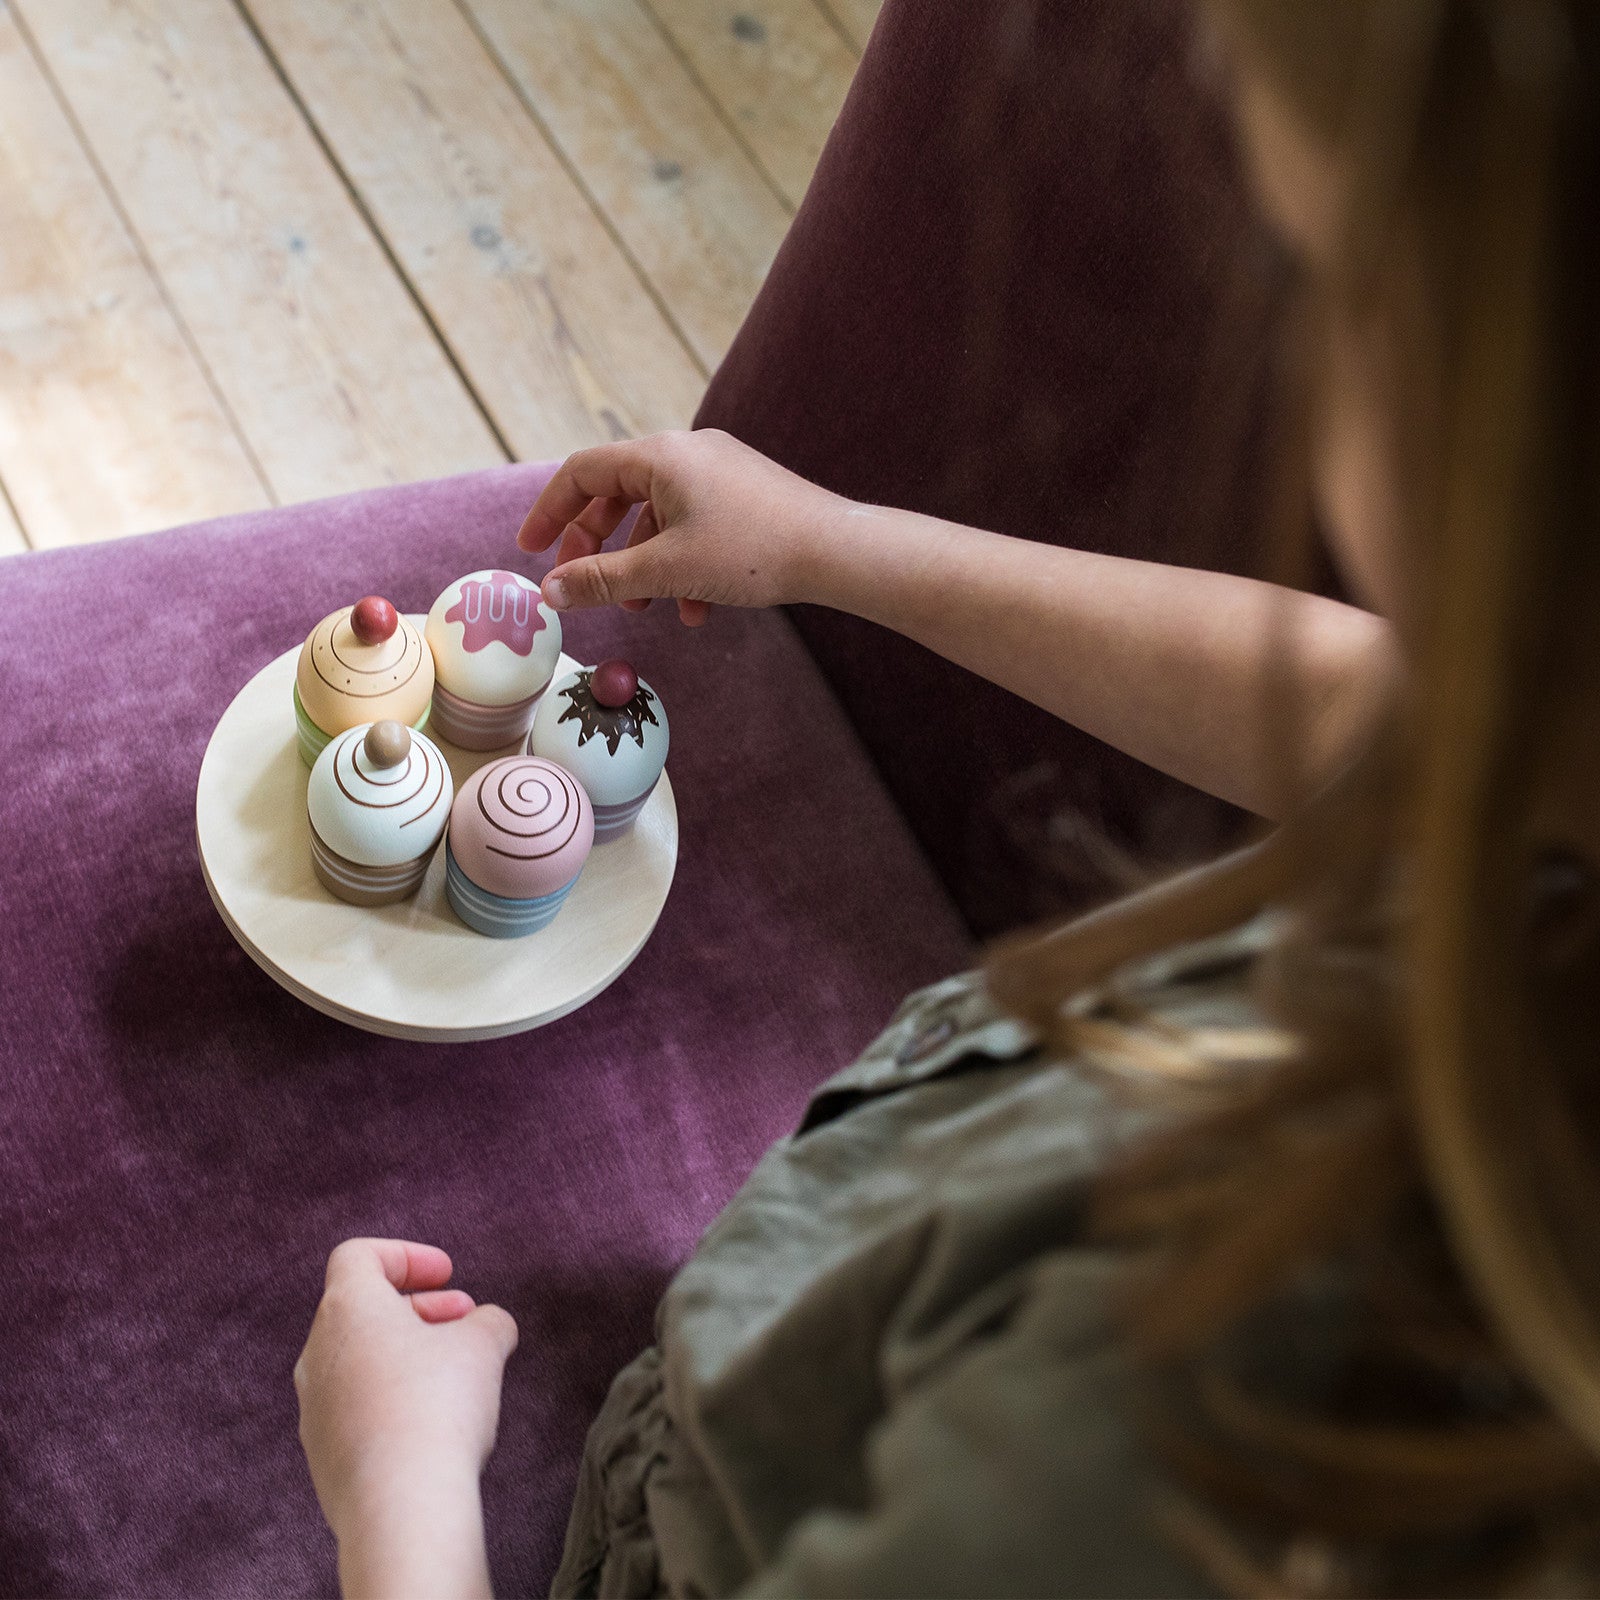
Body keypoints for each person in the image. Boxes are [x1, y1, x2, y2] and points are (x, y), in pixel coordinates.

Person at [293, 1, 1600, 1594]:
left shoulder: (1166, 1431)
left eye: (1337, 280)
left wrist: (398, 1498)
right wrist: (833, 539)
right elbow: (1380, 710)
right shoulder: (1544, 749)